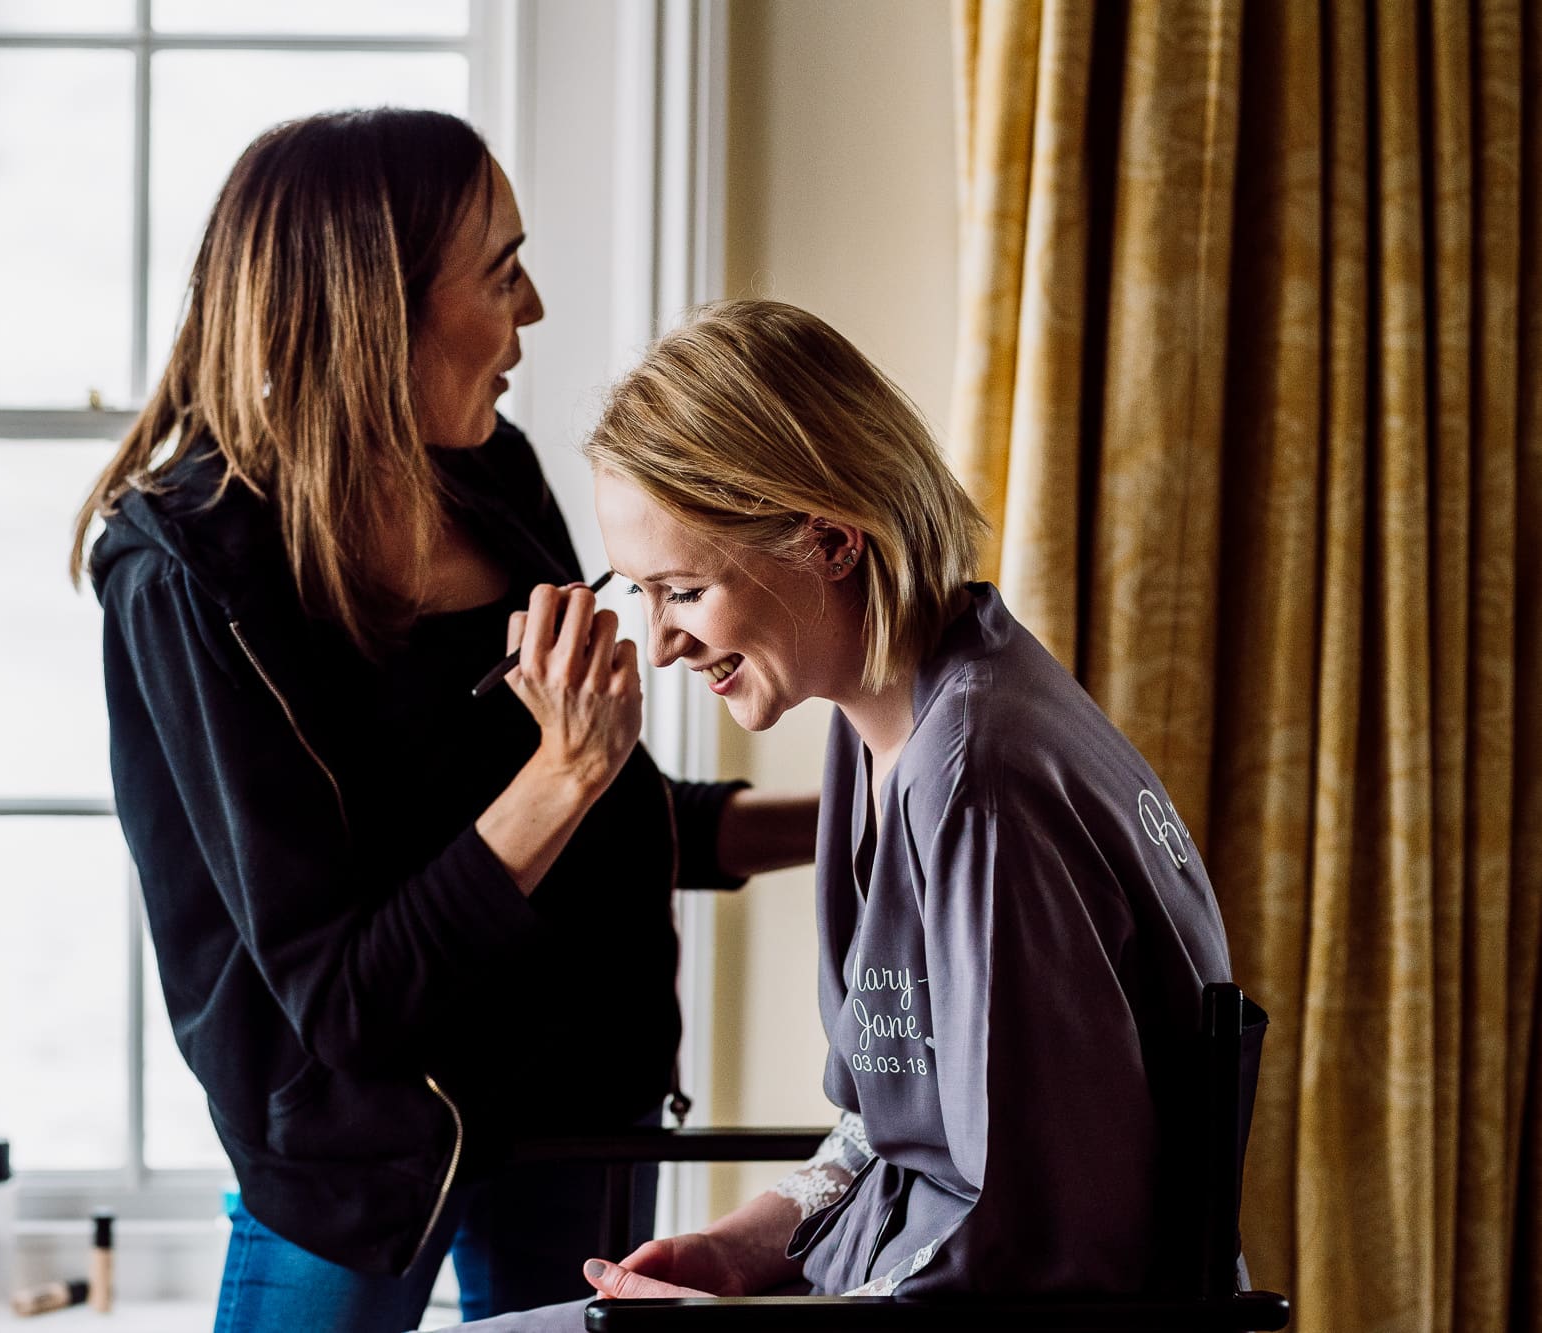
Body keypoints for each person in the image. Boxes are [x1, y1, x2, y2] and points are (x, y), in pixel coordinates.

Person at [71, 113, 816, 1333]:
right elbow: (346, 998)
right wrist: (566, 769)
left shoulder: (492, 470)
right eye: (500, 269)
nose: (530, 309)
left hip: (577, 1114)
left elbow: (616, 829)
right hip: (357, 1160)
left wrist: (867, 811)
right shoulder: (187, 575)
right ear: (376, 306)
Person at [451, 300, 1238, 1330]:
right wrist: (741, 1245)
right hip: (875, 1276)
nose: (658, 642)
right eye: (638, 593)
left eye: (682, 591)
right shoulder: (885, 718)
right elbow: (883, 1125)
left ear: (826, 540)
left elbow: (1038, 1240)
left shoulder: (977, 781)